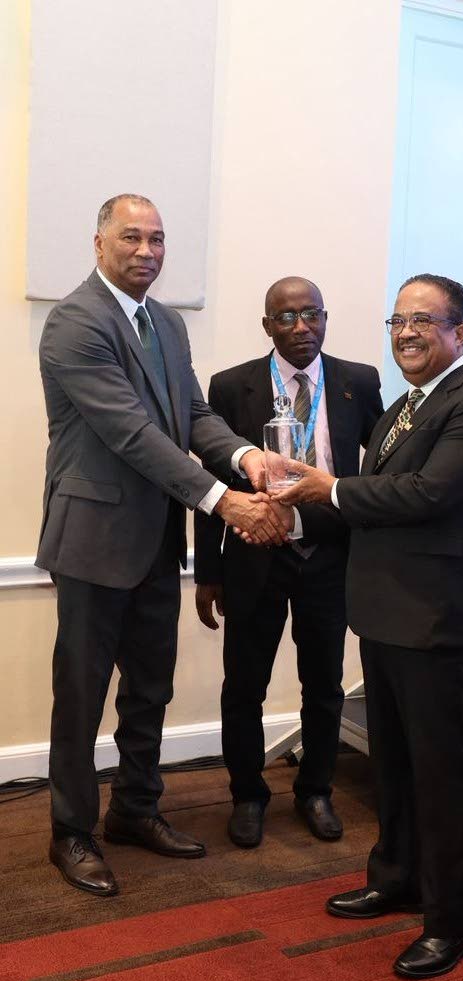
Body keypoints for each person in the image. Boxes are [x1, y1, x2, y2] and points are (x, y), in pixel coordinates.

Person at [37, 194, 286, 897]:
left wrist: (243, 459)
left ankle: (135, 810)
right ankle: (72, 831)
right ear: (98, 244)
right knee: (82, 696)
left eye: (157, 239)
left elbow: (191, 417)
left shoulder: (168, 324)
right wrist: (219, 498)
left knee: (151, 686)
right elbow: (131, 434)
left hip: (154, 543)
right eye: (131, 237)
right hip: (92, 540)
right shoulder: (75, 322)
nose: (146, 250)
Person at [271, 273, 463, 979]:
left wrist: (328, 487)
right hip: (383, 610)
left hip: (435, 615)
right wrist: (284, 502)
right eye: (397, 320)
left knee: (441, 772)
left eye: (423, 321)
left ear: (458, 334)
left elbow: (425, 494)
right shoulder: (406, 405)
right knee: (396, 763)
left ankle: (451, 919)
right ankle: (398, 875)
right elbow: (368, 504)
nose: (406, 332)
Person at [193, 276, 384, 848]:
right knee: (244, 684)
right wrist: (208, 571)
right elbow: (212, 481)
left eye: (312, 315)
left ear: (325, 318)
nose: (302, 328)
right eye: (287, 317)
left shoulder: (358, 381)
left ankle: (315, 789)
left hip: (328, 554)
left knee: (323, 682)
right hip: (256, 557)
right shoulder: (232, 387)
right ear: (267, 325)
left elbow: (376, 471)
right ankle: (247, 794)